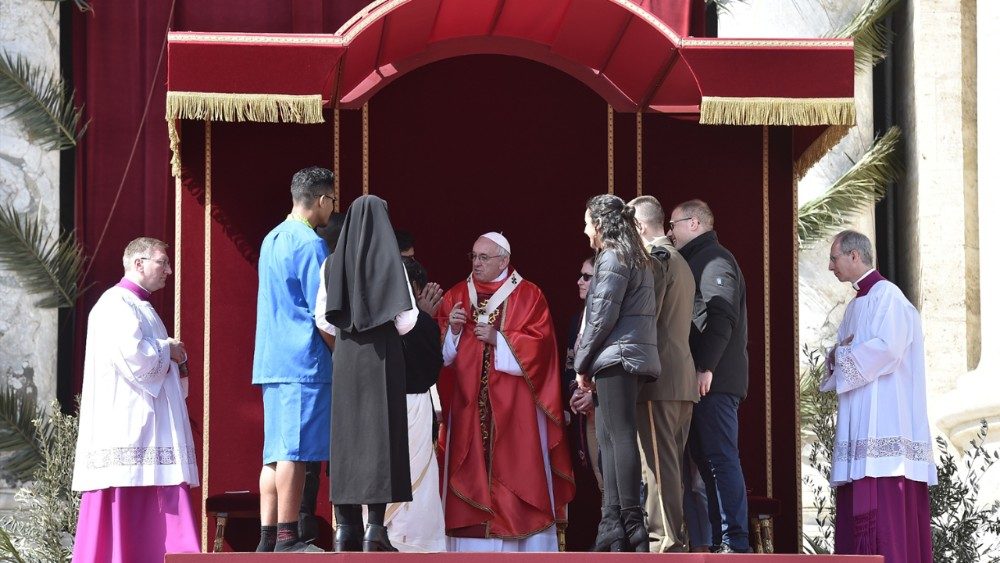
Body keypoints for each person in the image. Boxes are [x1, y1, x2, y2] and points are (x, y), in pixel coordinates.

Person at [436, 231, 574, 552]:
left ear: (504, 260)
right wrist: (453, 331)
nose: (477, 263)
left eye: (484, 257)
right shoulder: (457, 294)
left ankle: (520, 538)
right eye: (473, 257)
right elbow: (440, 359)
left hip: (515, 409)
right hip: (468, 407)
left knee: (517, 469)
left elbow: (542, 348)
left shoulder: (529, 295)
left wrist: (500, 339)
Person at [72, 237, 199, 562]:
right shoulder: (116, 304)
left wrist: (175, 358)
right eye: (162, 262)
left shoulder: (140, 306)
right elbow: (136, 360)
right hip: (130, 427)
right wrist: (166, 350)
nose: (169, 270)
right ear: (138, 263)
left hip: (147, 424)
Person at [822, 230, 935, 562]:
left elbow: (887, 350)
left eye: (834, 258)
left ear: (854, 256)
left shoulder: (890, 298)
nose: (831, 267)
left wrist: (841, 357)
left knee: (887, 527)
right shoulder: (855, 306)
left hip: (885, 422)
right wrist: (835, 357)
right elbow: (841, 353)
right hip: (861, 422)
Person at [325, 195, 418, 552]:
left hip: (346, 357)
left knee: (346, 438)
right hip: (381, 357)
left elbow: (324, 318)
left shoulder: (332, 264)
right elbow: (407, 320)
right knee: (381, 438)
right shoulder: (390, 262)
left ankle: (344, 527)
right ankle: (374, 529)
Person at [252, 166, 336, 552]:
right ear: (320, 200)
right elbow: (322, 312)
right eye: (332, 201)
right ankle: (287, 538)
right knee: (295, 453)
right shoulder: (311, 244)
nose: (332, 209)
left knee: (274, 454)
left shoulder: (271, 238)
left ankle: (267, 538)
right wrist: (340, 352)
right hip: (304, 361)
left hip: (272, 360)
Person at [574, 194, 660, 553]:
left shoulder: (613, 256)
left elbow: (601, 316)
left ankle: (628, 521)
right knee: (610, 438)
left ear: (600, 223)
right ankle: (613, 522)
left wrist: (581, 363)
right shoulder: (635, 256)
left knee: (619, 437)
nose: (584, 230)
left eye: (586, 222)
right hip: (624, 356)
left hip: (617, 357)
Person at [667, 199, 751, 553]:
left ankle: (736, 541)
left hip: (713, 382)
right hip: (701, 381)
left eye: (674, 224)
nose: (670, 232)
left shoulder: (715, 260)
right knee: (706, 462)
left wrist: (706, 367)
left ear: (695, 223)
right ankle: (720, 540)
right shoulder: (693, 261)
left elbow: (721, 318)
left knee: (720, 459)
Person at [627, 195, 699, 553]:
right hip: (680, 379)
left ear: (639, 227)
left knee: (657, 469)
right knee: (669, 466)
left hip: (658, 382)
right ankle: (672, 538)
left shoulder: (656, 261)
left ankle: (665, 542)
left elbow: (645, 322)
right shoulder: (680, 261)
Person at [380, 256, 447, 552]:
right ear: (416, 290)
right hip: (409, 406)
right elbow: (429, 368)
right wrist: (425, 321)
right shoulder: (420, 324)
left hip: (386, 408)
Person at [564, 256, 602, 491]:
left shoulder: (614, 318)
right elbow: (570, 365)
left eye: (587, 277)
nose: (580, 281)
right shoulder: (577, 320)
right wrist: (576, 395)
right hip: (588, 413)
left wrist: (595, 396)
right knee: (602, 480)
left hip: (609, 409)